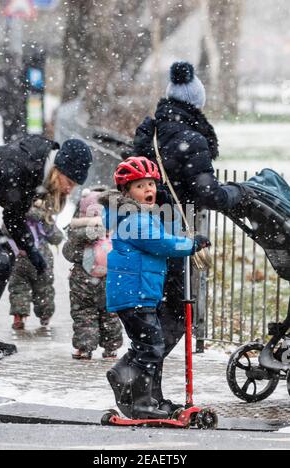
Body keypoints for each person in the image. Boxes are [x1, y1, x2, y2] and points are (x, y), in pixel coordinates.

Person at [132, 61, 254, 413]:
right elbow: (206, 193)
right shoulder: (191, 139)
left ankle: (145, 386)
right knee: (173, 313)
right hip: (174, 235)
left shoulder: (152, 131)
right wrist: (236, 194)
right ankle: (135, 377)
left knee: (153, 311)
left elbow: (133, 177)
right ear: (196, 103)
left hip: (146, 231)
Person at [100, 156, 210, 419]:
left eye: (151, 184)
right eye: (140, 186)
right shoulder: (133, 219)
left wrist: (181, 240)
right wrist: (191, 244)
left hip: (140, 294)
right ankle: (141, 402)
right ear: (126, 192)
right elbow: (163, 244)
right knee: (151, 347)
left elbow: (163, 239)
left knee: (147, 345)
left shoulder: (139, 216)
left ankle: (132, 382)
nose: (149, 190)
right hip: (135, 294)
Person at [0, 135, 92, 359]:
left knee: (3, 258)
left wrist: (33, 252)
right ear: (60, 169)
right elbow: (13, 214)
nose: (69, 190)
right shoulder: (22, 166)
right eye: (70, 182)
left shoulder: (36, 171)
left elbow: (14, 217)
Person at [62, 187, 123, 360]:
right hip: (110, 278)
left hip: (83, 280)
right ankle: (111, 349)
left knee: (83, 314)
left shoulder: (76, 234)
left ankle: (84, 348)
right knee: (110, 313)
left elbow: (69, 253)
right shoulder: (118, 231)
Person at [7, 198, 63, 330]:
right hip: (41, 258)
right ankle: (45, 315)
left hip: (20, 256)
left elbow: (6, 231)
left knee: (18, 288)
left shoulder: (16, 213)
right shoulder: (45, 217)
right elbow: (56, 237)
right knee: (44, 289)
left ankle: (18, 316)